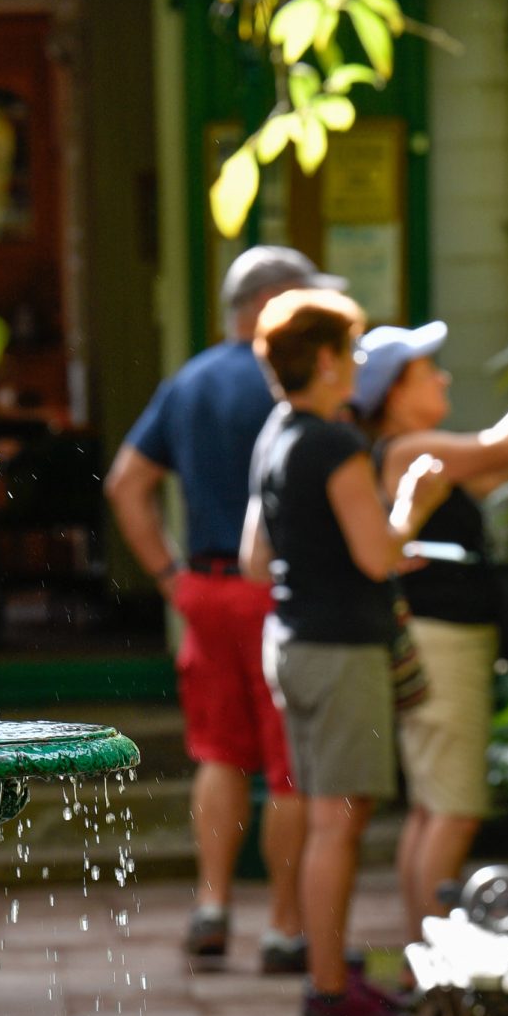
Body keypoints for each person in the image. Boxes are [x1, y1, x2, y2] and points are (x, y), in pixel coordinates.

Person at [104, 247, 345, 974]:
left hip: (205, 592)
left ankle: (211, 907)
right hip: (282, 593)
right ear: (275, 305)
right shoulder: (300, 383)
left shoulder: (191, 382)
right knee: (289, 764)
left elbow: (126, 483)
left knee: (217, 752)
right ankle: (284, 924)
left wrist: (169, 575)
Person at [240, 290, 447, 1016]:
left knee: (328, 814)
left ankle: (330, 969)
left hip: (292, 640)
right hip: (340, 648)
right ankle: (329, 990)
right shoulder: (333, 443)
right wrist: (412, 502)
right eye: (354, 352)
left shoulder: (276, 433)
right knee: (338, 824)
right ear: (326, 360)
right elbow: (377, 552)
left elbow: (255, 559)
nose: (359, 366)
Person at [353, 324, 508, 942]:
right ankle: (442, 975)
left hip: (442, 638)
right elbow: (499, 448)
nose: (444, 378)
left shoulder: (421, 455)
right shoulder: (405, 452)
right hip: (444, 641)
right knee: (454, 810)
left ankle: (421, 964)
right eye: (430, 370)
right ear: (396, 394)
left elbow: (501, 461)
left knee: (433, 807)